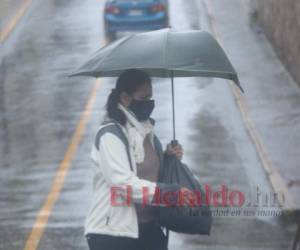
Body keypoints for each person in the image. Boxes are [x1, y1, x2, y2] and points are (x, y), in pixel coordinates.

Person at [84, 69, 190, 250]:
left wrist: (169, 158)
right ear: (125, 98)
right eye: (143, 98)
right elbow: (123, 184)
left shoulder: (145, 131)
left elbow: (150, 174)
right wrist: (170, 194)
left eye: (151, 98)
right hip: (113, 234)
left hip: (149, 228)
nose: (149, 104)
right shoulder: (110, 135)